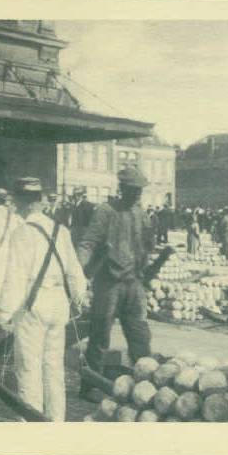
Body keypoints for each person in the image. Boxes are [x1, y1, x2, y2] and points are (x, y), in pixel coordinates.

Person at [0, 177, 87, 421]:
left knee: (28, 368)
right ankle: (56, 422)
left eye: (16, 202)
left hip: (34, 307)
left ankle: (31, 426)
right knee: (54, 367)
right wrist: (79, 298)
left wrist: (3, 314)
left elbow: (15, 277)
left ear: (23, 203)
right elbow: (75, 271)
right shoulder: (61, 230)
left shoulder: (22, 233)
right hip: (59, 305)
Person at [77, 167, 154, 402]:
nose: (137, 194)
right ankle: (89, 386)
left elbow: (147, 244)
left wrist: (146, 267)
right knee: (100, 337)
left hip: (134, 284)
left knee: (140, 337)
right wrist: (78, 272)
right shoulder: (105, 211)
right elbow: (88, 242)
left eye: (139, 190)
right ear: (122, 189)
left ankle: (145, 386)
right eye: (133, 190)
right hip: (109, 284)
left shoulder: (141, 214)